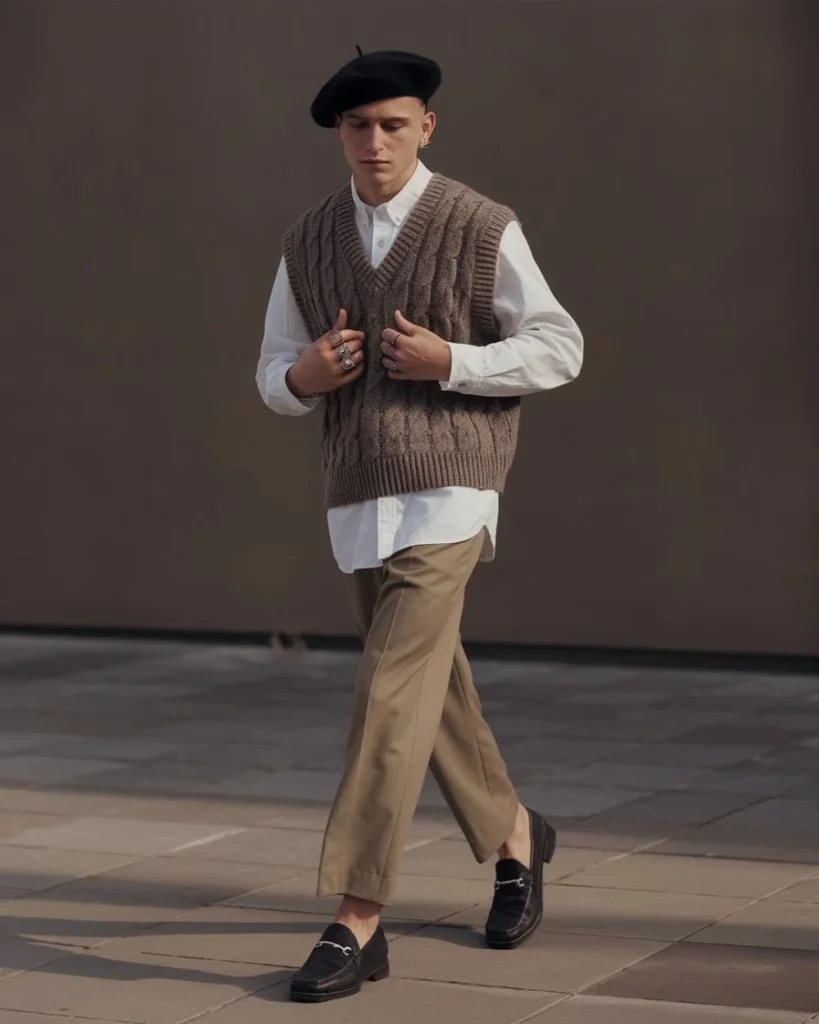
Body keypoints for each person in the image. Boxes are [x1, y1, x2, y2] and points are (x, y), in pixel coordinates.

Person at [255, 47, 583, 1004]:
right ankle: (518, 836)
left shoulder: (478, 225)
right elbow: (273, 373)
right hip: (359, 498)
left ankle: (357, 918)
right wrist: (302, 379)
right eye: (357, 127)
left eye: (393, 124)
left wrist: (452, 361)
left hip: (451, 487)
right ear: (337, 135)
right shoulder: (308, 241)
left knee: (391, 694)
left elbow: (558, 345)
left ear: (425, 127)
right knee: (433, 695)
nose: (374, 141)